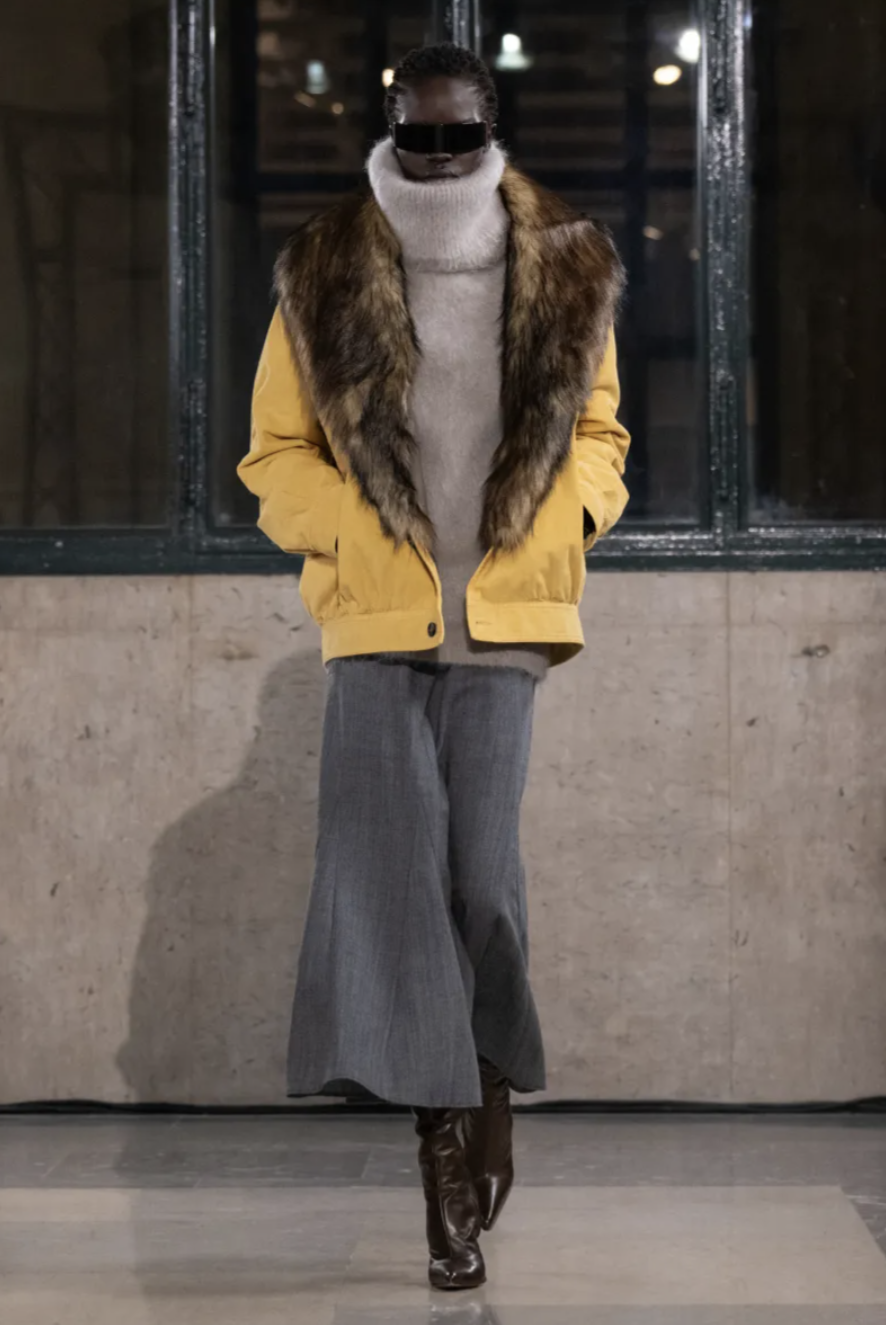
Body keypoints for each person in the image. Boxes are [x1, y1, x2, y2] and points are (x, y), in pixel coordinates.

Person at [237, 42, 631, 1292]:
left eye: (462, 135)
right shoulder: (323, 265)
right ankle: (442, 1160)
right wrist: (355, 532)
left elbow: (603, 432)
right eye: (421, 135)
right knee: (397, 891)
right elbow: (272, 454)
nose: (442, 156)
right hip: (377, 625)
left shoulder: (567, 258)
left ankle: (489, 1075)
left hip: (504, 619)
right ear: (392, 125)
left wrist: (565, 519)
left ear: (491, 125)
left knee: (483, 885)